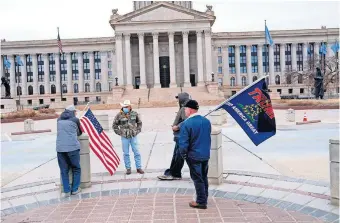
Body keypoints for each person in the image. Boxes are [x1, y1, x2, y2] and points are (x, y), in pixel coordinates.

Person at [178, 100, 211, 209]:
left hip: (193, 155)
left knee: (197, 179)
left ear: (191, 110)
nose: (185, 111)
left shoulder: (187, 123)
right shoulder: (206, 121)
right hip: (205, 154)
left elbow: (183, 143)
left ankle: (201, 202)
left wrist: (184, 155)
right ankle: (204, 197)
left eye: (186, 109)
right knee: (204, 177)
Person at [158, 92, 190, 180]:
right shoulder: (183, 108)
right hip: (179, 136)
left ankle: (175, 174)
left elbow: (186, 121)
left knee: (179, 156)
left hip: (181, 136)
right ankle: (173, 172)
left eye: (178, 99)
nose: (177, 100)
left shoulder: (184, 108)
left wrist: (177, 127)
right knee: (176, 156)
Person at [56, 104, 83, 197]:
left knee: (64, 170)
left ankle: (66, 191)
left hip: (60, 148)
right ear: (73, 112)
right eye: (75, 111)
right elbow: (80, 132)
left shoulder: (58, 120)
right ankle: (75, 189)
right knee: (76, 168)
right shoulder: (75, 120)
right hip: (72, 148)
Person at [113, 100, 144, 175]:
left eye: (126, 107)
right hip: (124, 137)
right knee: (126, 153)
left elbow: (139, 123)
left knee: (136, 152)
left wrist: (137, 131)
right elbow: (115, 125)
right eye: (124, 107)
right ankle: (128, 168)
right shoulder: (119, 115)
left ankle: (138, 168)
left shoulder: (135, 114)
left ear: (130, 107)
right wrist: (120, 132)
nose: (125, 108)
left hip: (133, 136)